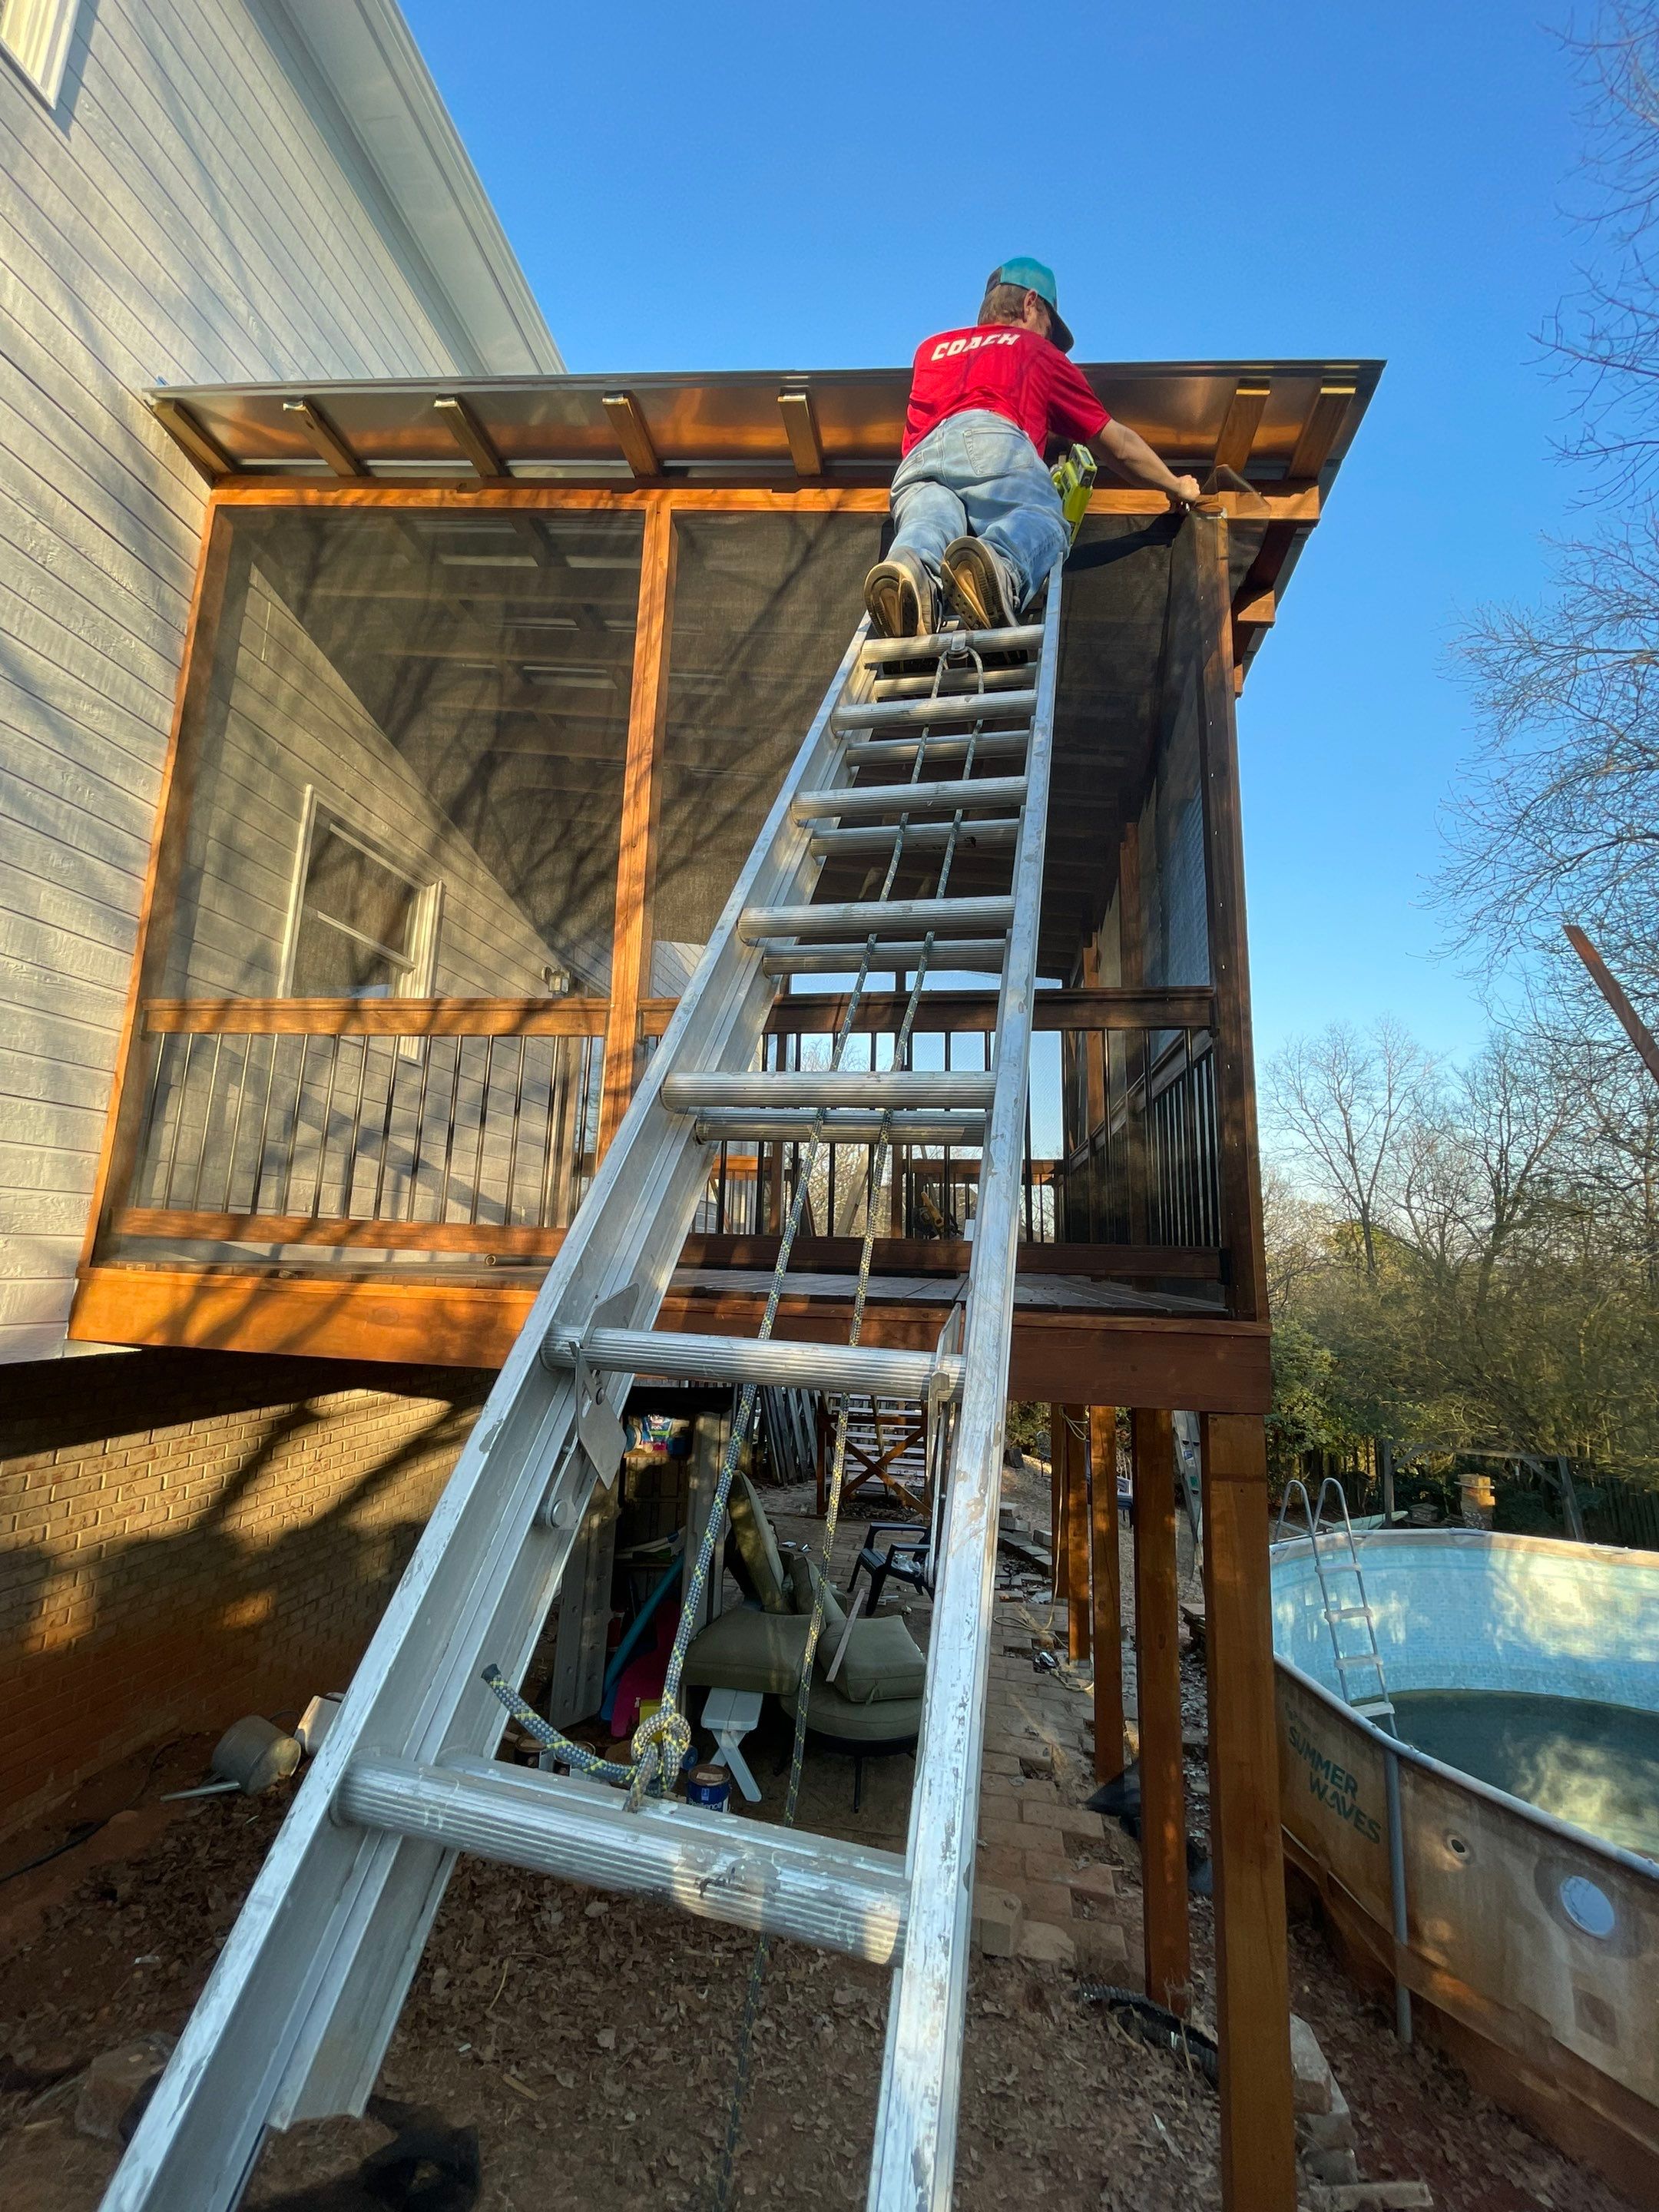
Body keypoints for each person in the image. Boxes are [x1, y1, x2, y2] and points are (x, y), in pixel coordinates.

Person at [864, 257, 1202, 638]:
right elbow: (1117, 444)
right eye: (1048, 326)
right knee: (1043, 519)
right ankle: (998, 570)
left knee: (929, 524)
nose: (1050, 339)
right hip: (991, 440)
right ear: (1030, 303)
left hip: (918, 462)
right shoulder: (1034, 350)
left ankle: (910, 574)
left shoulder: (931, 349)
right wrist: (1175, 485)